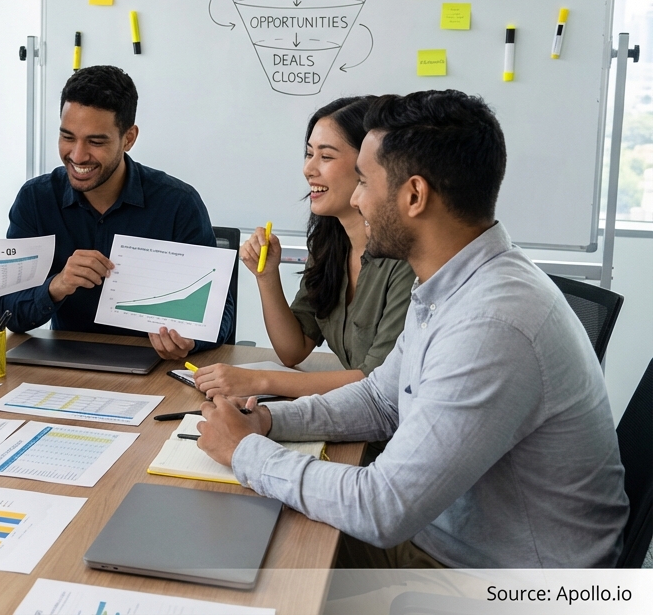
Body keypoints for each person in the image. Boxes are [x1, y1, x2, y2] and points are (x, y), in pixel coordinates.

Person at [196, 90, 627, 568]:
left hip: (495, 583)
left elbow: (383, 508)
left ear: (414, 196)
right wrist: (269, 422)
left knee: (250, 563)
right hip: (438, 540)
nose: (357, 199)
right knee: (229, 541)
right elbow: (382, 398)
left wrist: (246, 451)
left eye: (363, 181)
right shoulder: (451, 284)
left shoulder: (492, 323)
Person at [0, 65, 233, 359]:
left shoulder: (178, 204)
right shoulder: (36, 199)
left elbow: (220, 315)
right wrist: (56, 286)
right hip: (64, 365)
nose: (78, 155)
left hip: (157, 368)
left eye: (96, 142)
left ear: (129, 138)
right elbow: (10, 313)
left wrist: (190, 341)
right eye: (68, 137)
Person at [196, 97, 413, 399]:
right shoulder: (331, 243)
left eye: (326, 157)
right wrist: (266, 276)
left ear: (369, 164)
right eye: (309, 154)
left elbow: (377, 383)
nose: (308, 169)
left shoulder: (406, 259)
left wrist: (260, 382)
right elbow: (293, 350)